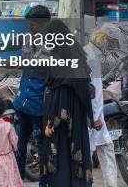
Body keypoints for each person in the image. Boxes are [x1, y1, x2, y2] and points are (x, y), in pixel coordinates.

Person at [40, 19, 93, 187]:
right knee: (74, 165)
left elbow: (61, 96)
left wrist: (50, 123)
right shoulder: (76, 55)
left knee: (62, 165)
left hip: (63, 127)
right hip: (77, 122)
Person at [13, 5, 51, 187]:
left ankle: (43, 184)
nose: (31, 27)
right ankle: (18, 180)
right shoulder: (27, 38)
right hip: (23, 100)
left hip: (39, 104)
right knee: (20, 144)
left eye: (34, 24)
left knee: (43, 147)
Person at [84, 24, 119, 187]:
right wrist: (96, 118)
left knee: (104, 147)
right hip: (92, 114)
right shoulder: (92, 58)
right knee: (92, 151)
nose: (113, 47)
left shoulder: (87, 52)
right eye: (113, 43)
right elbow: (95, 93)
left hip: (90, 113)